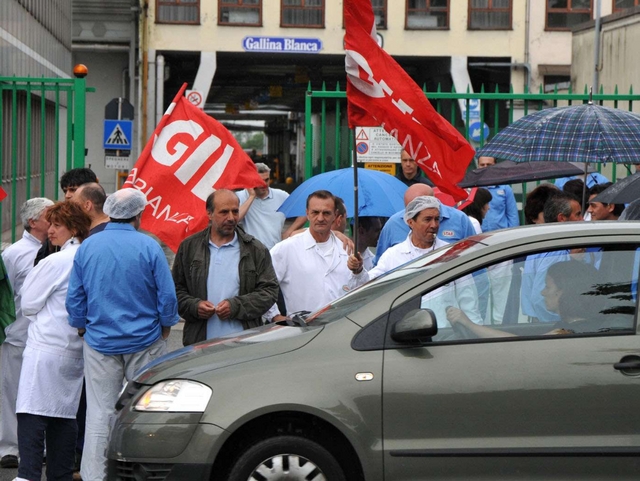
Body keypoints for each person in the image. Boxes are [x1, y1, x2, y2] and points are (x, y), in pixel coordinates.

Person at [65, 188, 179, 481]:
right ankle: (143, 474)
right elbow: (166, 295)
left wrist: (81, 324)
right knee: (146, 410)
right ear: (138, 215)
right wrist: (166, 325)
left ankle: (94, 475)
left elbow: (75, 298)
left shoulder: (88, 247)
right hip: (145, 341)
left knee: (100, 413)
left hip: (100, 342)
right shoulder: (149, 246)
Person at [16, 201, 91, 481]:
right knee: (64, 417)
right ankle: (60, 474)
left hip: (45, 347)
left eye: (58, 225)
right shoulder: (88, 256)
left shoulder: (55, 261)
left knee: (32, 415)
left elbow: (29, 302)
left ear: (73, 228)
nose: (51, 230)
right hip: (75, 349)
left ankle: (29, 475)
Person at [348, 196, 483, 324]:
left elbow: (468, 298)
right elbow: (369, 287)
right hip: (404, 333)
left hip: (444, 334)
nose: (434, 225)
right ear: (410, 222)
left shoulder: (450, 253)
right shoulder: (394, 255)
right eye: (427, 219)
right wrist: (358, 271)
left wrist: (475, 332)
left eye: (437, 219)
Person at [172, 189, 279, 346]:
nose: (231, 218)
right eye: (224, 212)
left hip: (244, 344)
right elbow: (175, 291)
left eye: (235, 211)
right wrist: (194, 306)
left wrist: (235, 306)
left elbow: (269, 292)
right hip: (199, 344)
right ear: (209, 213)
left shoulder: (255, 249)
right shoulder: (189, 248)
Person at [0, 198, 53, 469]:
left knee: (40, 393)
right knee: (10, 393)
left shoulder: (56, 250)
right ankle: (9, 448)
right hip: (17, 335)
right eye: (49, 216)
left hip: (46, 338)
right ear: (33, 222)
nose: (54, 220)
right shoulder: (14, 254)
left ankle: (39, 446)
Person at [448, 260, 603, 338]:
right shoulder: (573, 325)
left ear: (563, 293)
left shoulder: (567, 333)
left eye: (548, 287)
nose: (542, 293)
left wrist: (469, 324)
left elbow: (517, 343)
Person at [269, 190, 352, 316]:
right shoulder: (286, 249)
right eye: (315, 212)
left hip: (341, 327)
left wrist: (359, 271)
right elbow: (262, 287)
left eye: (326, 213)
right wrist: (275, 316)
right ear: (307, 213)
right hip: (302, 331)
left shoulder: (346, 248)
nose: (320, 218)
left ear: (335, 215)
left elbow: (362, 289)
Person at [374, 184, 476, 264]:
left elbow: (474, 258)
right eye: (409, 208)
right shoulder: (394, 223)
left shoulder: (459, 219)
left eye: (418, 207)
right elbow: (380, 267)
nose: (433, 225)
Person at [521, 192, 584, 322]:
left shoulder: (547, 242)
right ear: (562, 218)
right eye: (577, 214)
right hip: (551, 324)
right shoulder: (556, 251)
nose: (582, 219)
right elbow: (541, 298)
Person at [35, 168, 98, 265]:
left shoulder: (105, 224)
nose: (68, 195)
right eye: (65, 191)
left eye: (73, 190)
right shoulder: (61, 223)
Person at [236, 163, 290, 249]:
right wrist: (251, 197)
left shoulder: (282, 195)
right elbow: (235, 219)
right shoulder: (241, 196)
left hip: (275, 251)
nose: (264, 184)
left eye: (267, 180)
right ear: (251, 180)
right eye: (259, 181)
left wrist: (289, 231)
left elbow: (304, 211)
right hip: (251, 252)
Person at [476, 156, 520, 231]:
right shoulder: (472, 188)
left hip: (500, 236)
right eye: (482, 165)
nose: (485, 167)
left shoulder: (505, 188)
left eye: (489, 165)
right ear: (478, 166)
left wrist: (512, 235)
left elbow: (513, 216)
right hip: (478, 235)